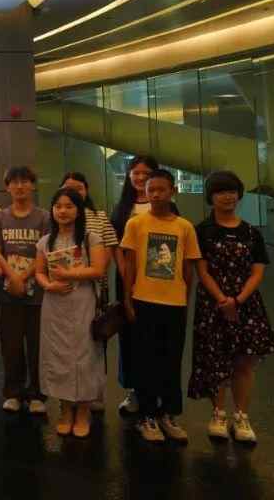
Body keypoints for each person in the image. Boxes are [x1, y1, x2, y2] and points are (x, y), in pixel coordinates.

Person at [188, 171, 274, 444]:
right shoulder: (201, 231)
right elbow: (202, 271)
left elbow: (257, 272)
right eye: (220, 191)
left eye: (232, 191)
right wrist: (222, 300)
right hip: (212, 304)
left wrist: (237, 300)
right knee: (216, 359)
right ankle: (218, 415)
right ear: (211, 197)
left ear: (239, 195)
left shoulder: (251, 232)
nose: (227, 196)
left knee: (244, 362)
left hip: (246, 304)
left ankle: (241, 416)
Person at [121, 169, 201, 444]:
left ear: (172, 191)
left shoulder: (184, 227)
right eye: (150, 190)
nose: (155, 194)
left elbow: (188, 268)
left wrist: (185, 300)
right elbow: (129, 265)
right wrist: (128, 300)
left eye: (161, 189)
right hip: (143, 301)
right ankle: (146, 416)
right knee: (144, 360)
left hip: (174, 304)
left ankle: (168, 413)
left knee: (171, 361)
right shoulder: (136, 224)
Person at [34, 188, 107, 438]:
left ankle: (83, 411)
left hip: (83, 302)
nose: (62, 211)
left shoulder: (91, 238)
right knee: (58, 355)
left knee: (84, 355)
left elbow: (98, 270)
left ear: (78, 210)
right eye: (58, 206)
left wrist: (68, 274)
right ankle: (65, 410)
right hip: (54, 304)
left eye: (69, 206)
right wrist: (48, 285)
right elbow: (39, 272)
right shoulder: (45, 241)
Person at [0, 166, 51, 415]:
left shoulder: (44, 217)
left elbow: (45, 254)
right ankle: (13, 393)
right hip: (7, 291)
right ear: (7, 187)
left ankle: (37, 394)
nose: (20, 186)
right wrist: (12, 276)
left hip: (37, 294)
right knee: (11, 345)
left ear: (33, 185)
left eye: (25, 181)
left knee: (37, 345)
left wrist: (24, 276)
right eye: (14, 182)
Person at [60, 171, 120, 412]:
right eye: (68, 187)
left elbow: (109, 250)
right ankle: (70, 393)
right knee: (69, 342)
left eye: (79, 188)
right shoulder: (59, 217)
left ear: (87, 190)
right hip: (65, 289)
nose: (74, 192)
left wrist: (93, 272)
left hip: (95, 289)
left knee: (94, 340)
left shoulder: (99, 217)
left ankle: (95, 392)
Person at [109, 155, 160, 415]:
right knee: (129, 335)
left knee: (155, 335)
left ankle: (155, 390)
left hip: (158, 281)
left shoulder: (166, 206)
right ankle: (132, 390)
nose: (140, 178)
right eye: (135, 173)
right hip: (127, 282)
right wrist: (125, 274)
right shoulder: (122, 208)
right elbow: (115, 244)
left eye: (146, 173)